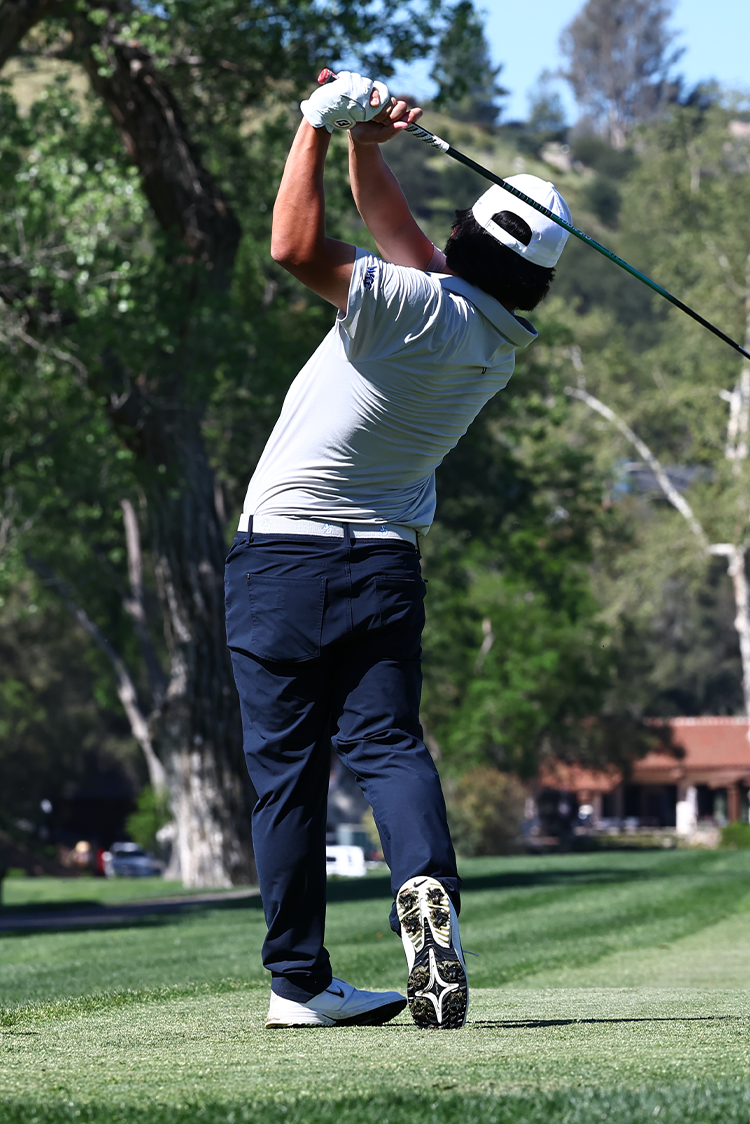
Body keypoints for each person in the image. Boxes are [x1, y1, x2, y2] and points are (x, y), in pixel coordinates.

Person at [232, 70, 569, 1029]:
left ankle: (299, 983)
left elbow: (292, 247)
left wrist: (313, 122)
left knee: (287, 777)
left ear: (464, 238)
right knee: (386, 746)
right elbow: (407, 242)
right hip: (382, 562)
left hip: (280, 563)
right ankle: (426, 888)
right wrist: (364, 143)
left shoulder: (409, 304)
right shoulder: (497, 339)